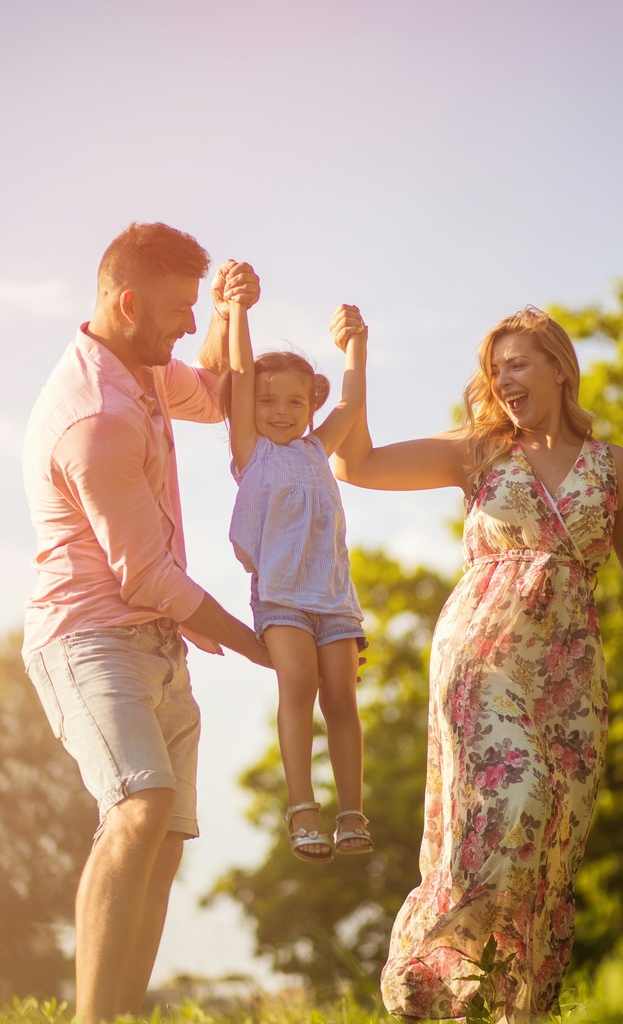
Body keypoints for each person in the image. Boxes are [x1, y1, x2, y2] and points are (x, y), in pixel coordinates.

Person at [330, 304, 623, 1021]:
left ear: (559, 368)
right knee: (510, 805)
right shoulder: (479, 449)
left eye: (518, 364)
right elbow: (356, 463)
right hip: (482, 656)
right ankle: (432, 980)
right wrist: (356, 357)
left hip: (568, 673)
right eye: (494, 369)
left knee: (550, 847)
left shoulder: (615, 466)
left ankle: (511, 1007)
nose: (502, 380)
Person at [22, 222, 271, 1024]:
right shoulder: (96, 417)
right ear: (127, 303)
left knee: (164, 836)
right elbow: (147, 576)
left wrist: (235, 313)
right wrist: (264, 647)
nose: (188, 326)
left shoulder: (142, 370)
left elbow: (220, 392)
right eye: (179, 309)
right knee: (136, 808)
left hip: (155, 641)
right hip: (88, 640)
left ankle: (121, 1016)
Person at [220, 288, 373, 862]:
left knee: (341, 697)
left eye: (294, 402)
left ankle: (352, 814)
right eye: (267, 402)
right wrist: (239, 312)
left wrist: (355, 346)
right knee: (299, 685)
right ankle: (303, 809)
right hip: (282, 599)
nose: (281, 411)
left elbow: (351, 404)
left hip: (333, 599)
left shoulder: (315, 448)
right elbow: (238, 373)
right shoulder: (252, 452)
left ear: (310, 407)